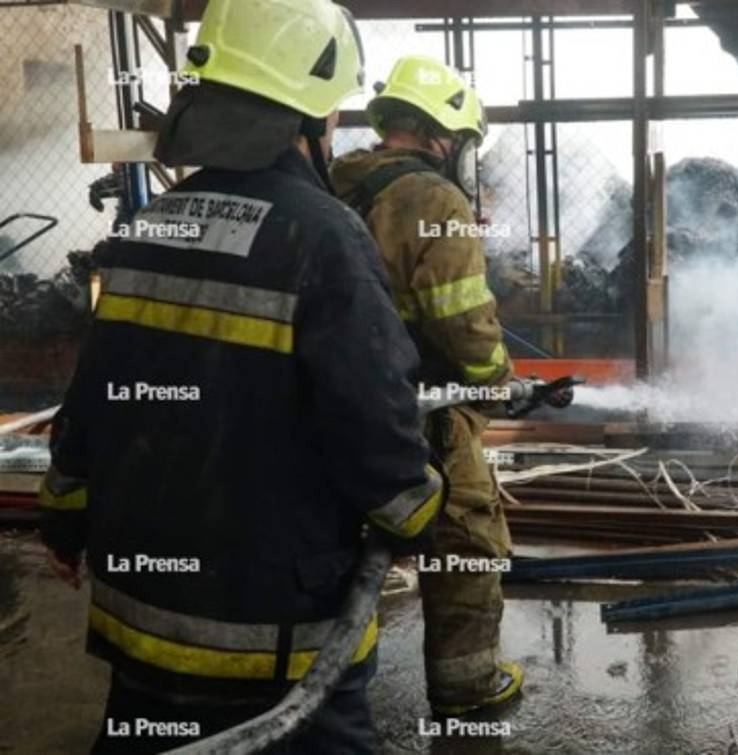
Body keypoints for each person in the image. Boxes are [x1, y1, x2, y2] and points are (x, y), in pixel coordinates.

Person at [37, 1, 443, 752]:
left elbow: (92, 400)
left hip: (142, 621)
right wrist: (417, 514)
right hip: (276, 642)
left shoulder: (149, 226)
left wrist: (63, 518)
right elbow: (371, 423)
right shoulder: (324, 237)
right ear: (310, 114)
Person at [332, 55, 545, 718]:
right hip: (422, 409)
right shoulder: (435, 199)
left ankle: (325, 677)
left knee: (340, 537)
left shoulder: (336, 183)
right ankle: (467, 685)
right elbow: (461, 317)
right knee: (467, 533)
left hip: (335, 403)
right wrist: (497, 380)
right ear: (442, 136)